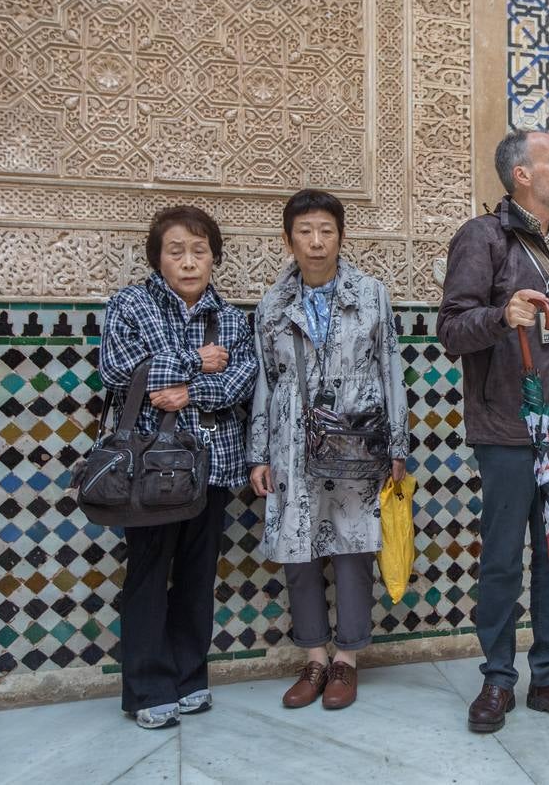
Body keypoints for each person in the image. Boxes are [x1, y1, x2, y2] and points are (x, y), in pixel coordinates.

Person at [438, 129, 549, 733]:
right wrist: (500, 315)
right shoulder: (482, 237)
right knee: (500, 559)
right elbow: (452, 330)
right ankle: (496, 680)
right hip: (509, 426)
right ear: (522, 174)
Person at [247, 189, 409, 711]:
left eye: (326, 231)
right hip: (291, 439)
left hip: (357, 437)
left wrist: (398, 446)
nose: (316, 243)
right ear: (288, 238)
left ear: (341, 236)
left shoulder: (371, 294)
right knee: (298, 550)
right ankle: (314, 656)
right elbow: (265, 383)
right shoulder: (273, 304)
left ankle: (348, 659)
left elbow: (390, 368)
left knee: (354, 548)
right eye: (305, 232)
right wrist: (259, 454)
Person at [98, 206, 257, 729]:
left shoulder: (233, 319)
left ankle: (189, 678)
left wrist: (182, 388)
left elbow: (239, 384)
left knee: (196, 575)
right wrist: (198, 361)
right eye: (176, 251)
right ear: (157, 257)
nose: (189, 262)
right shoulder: (131, 305)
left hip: (211, 464)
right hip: (148, 470)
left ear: (214, 257)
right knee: (147, 573)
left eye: (199, 251)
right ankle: (146, 689)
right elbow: (121, 371)